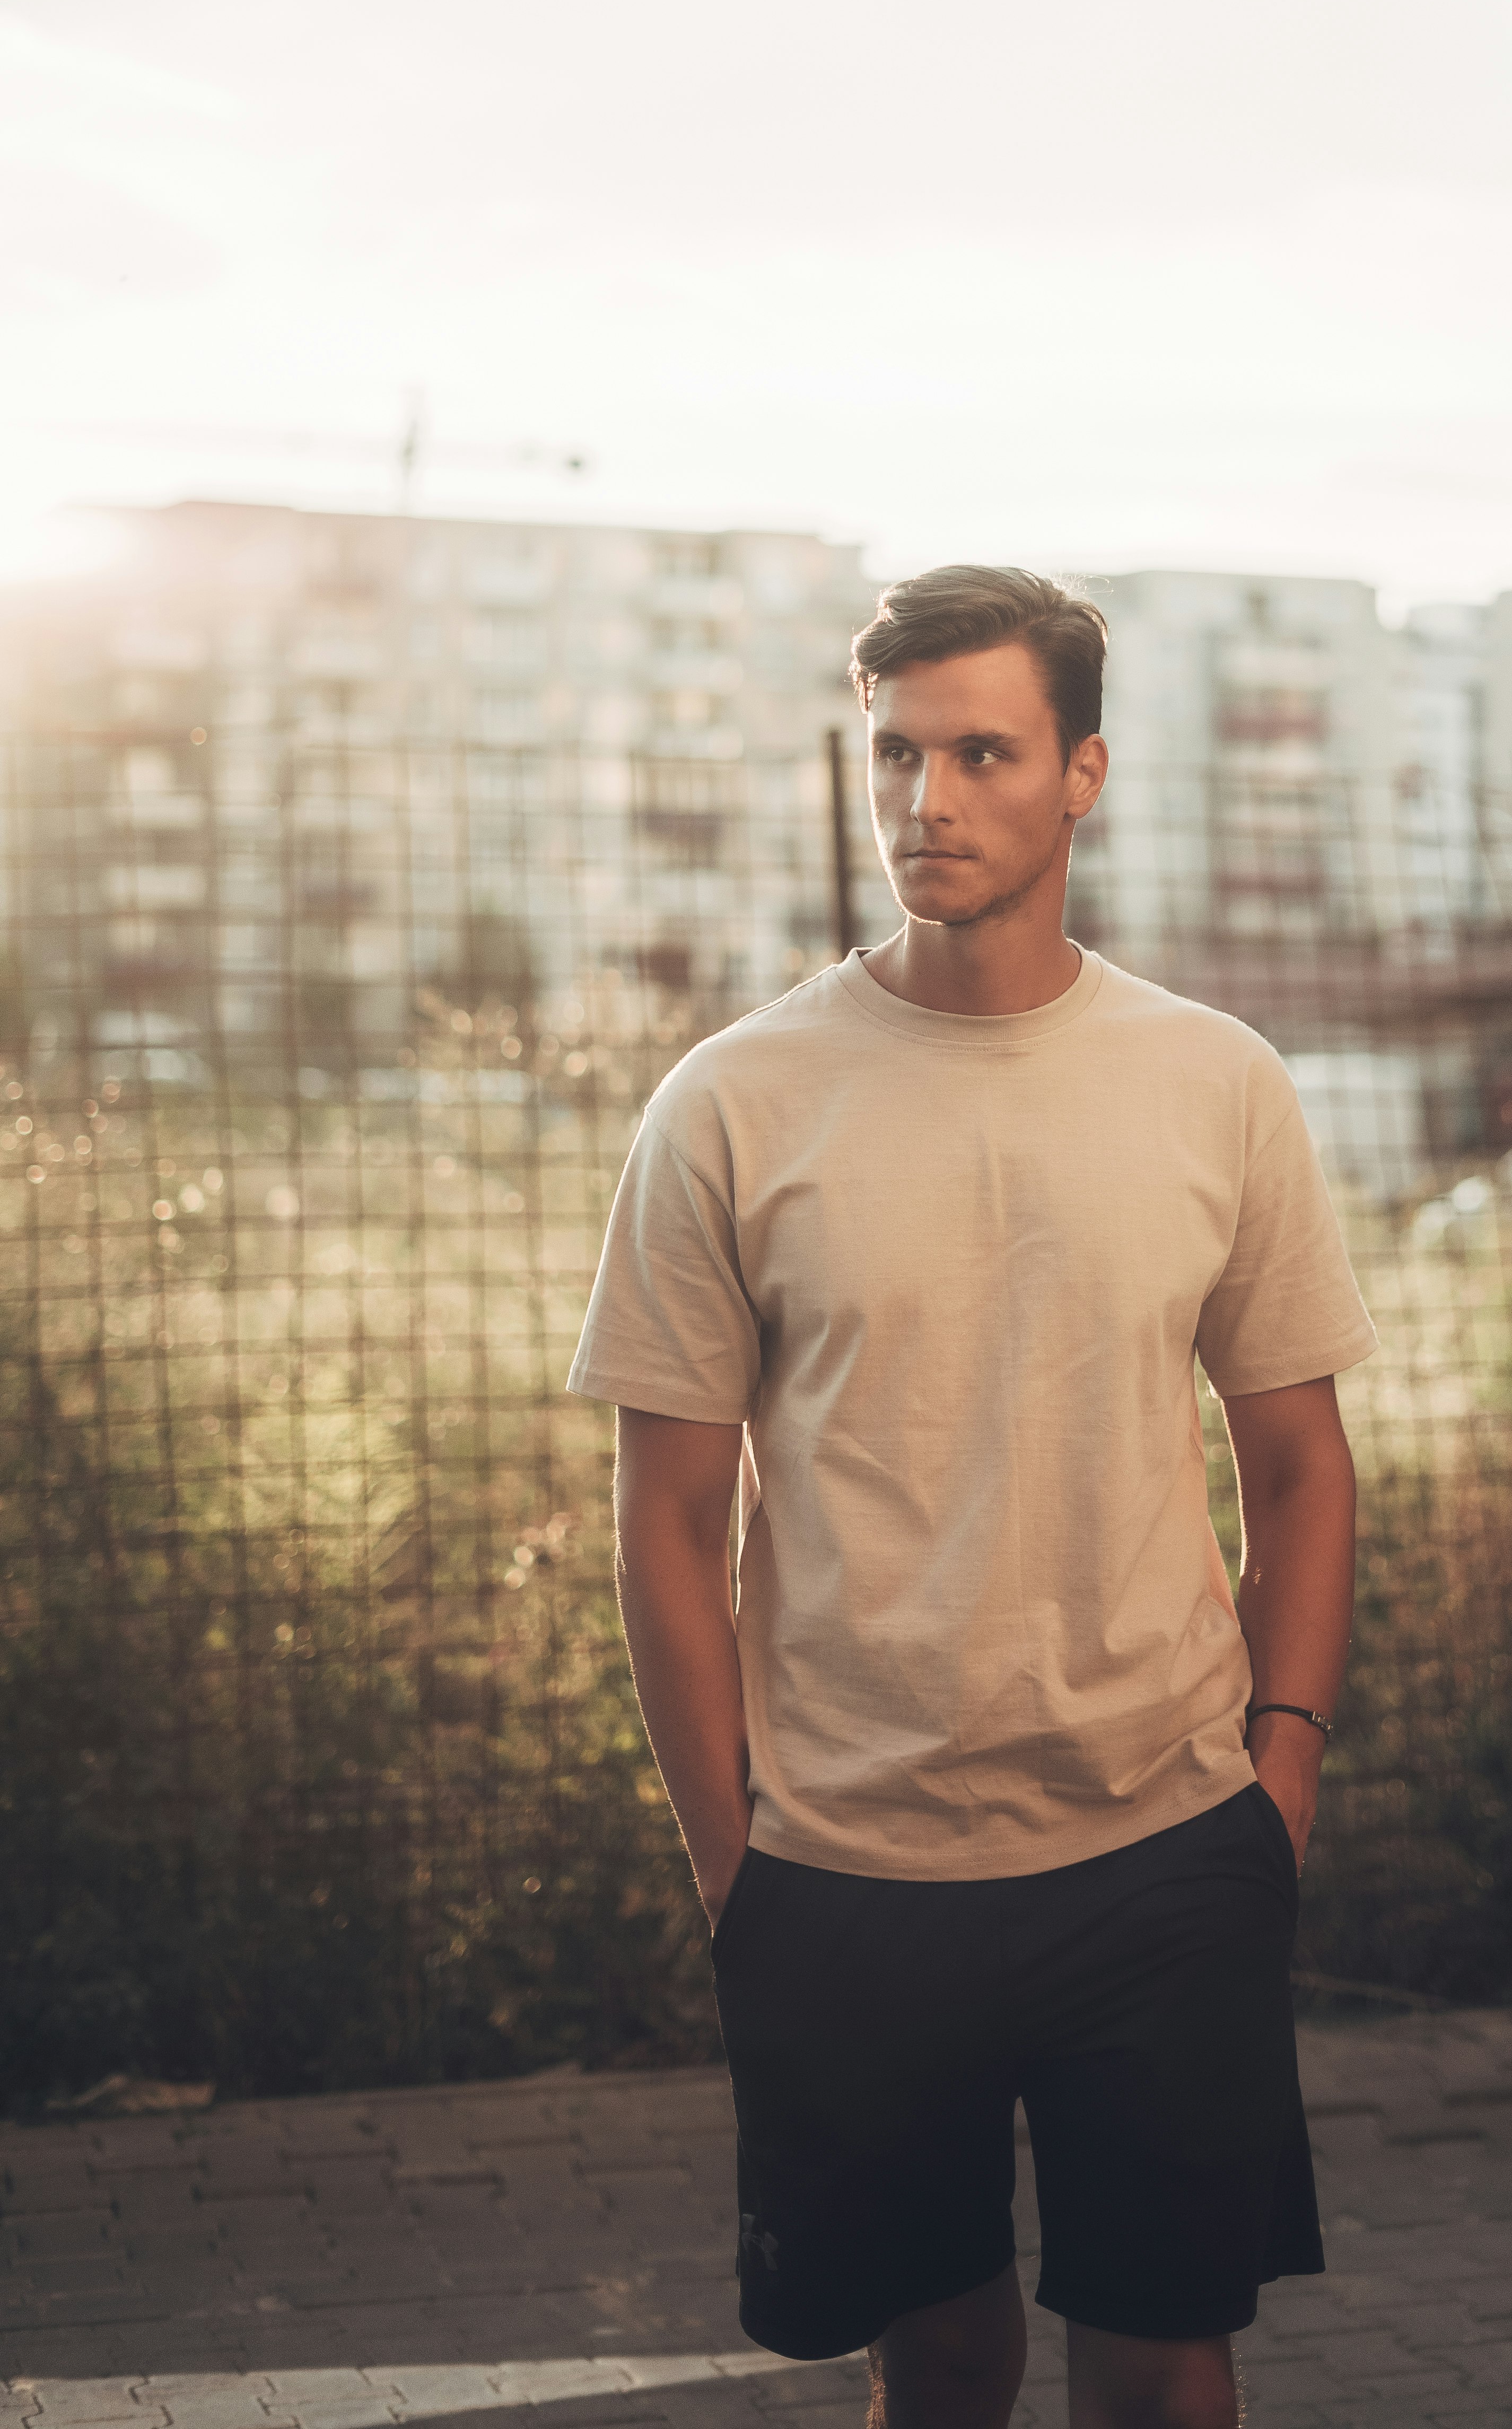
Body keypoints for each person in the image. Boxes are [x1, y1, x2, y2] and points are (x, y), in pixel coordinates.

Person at [569, 565, 1376, 2429]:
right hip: (847, 1871)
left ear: (1081, 773)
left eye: (982, 752)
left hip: (1168, 1847)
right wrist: (734, 1864)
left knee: (1168, 2368)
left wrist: (1281, 1775)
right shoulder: (732, 1103)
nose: (926, 800)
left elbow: (1299, 1465)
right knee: (933, 2360)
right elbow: (666, 1526)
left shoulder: (1213, 1083)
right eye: (894, 754)